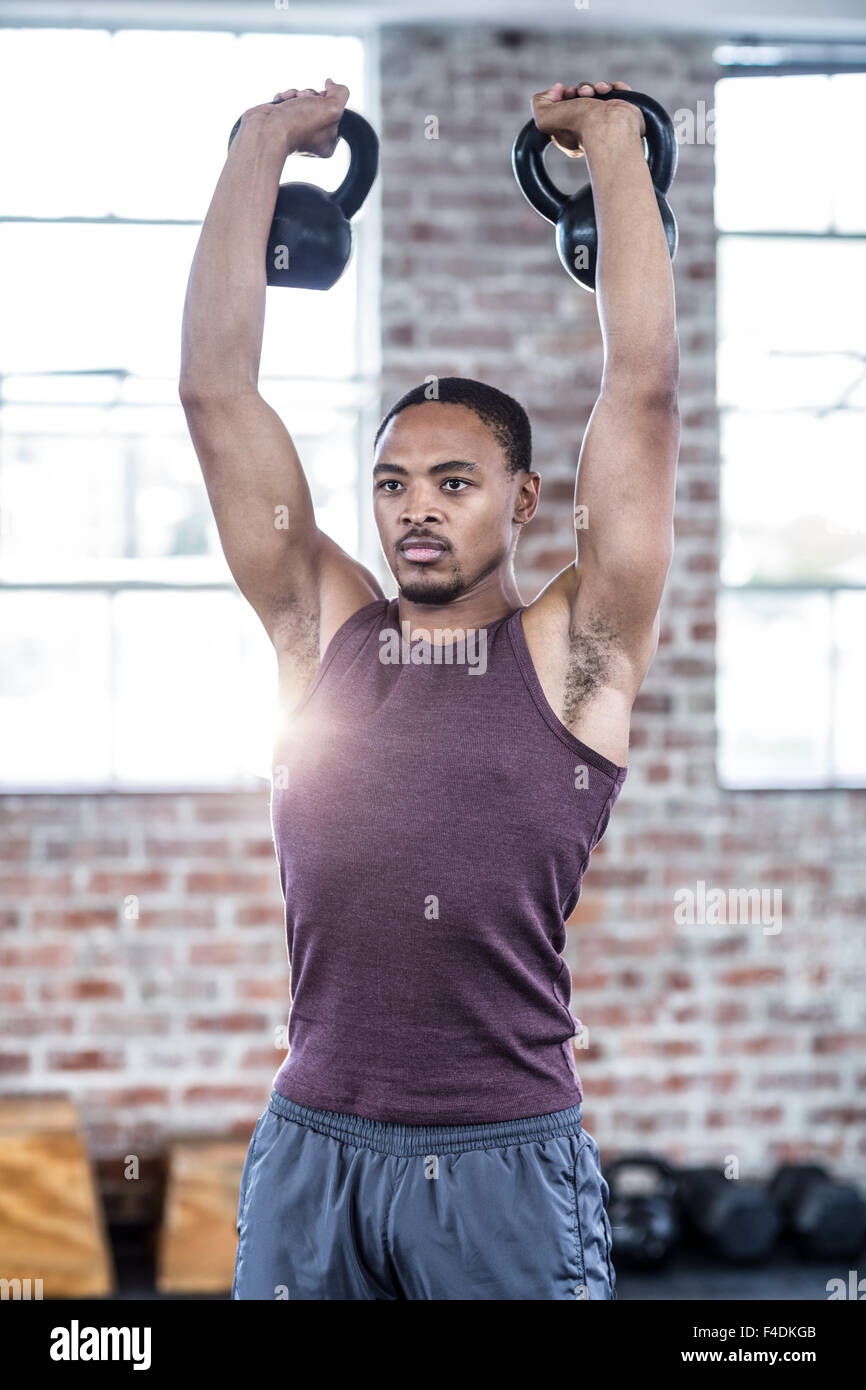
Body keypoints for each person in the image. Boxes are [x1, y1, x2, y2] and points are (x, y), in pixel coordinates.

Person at [179, 76, 679, 1301]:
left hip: (503, 1160)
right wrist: (255, 152)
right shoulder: (322, 629)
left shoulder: (576, 654)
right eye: (392, 484)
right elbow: (215, 394)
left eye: (452, 484)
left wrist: (613, 148)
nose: (413, 510)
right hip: (312, 1148)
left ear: (519, 503)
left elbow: (644, 398)